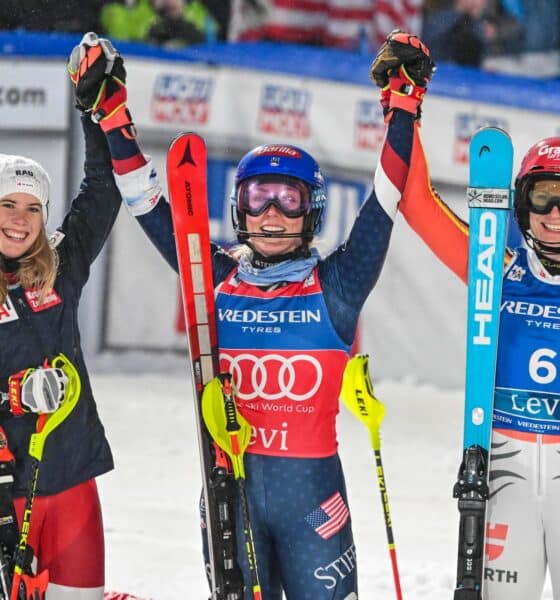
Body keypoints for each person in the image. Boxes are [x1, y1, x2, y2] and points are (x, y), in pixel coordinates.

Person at [110, 30, 435, 598]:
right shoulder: (215, 277)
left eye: (289, 200)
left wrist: (403, 111)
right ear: (238, 208)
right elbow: (149, 206)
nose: (273, 215)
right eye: (259, 197)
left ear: (311, 212)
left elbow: (384, 202)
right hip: (230, 495)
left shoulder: (338, 283)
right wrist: (113, 119)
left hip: (315, 507)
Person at [371, 29, 560, 600]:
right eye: (542, 198)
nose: (554, 215)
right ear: (521, 205)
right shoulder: (494, 261)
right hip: (502, 462)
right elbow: (418, 204)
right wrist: (402, 109)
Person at [0, 32, 149, 598]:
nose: (20, 219)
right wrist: (14, 397)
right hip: (8, 498)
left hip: (74, 483)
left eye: (32, 207)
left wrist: (93, 107)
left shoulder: (60, 266)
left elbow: (102, 186)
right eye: (7, 205)